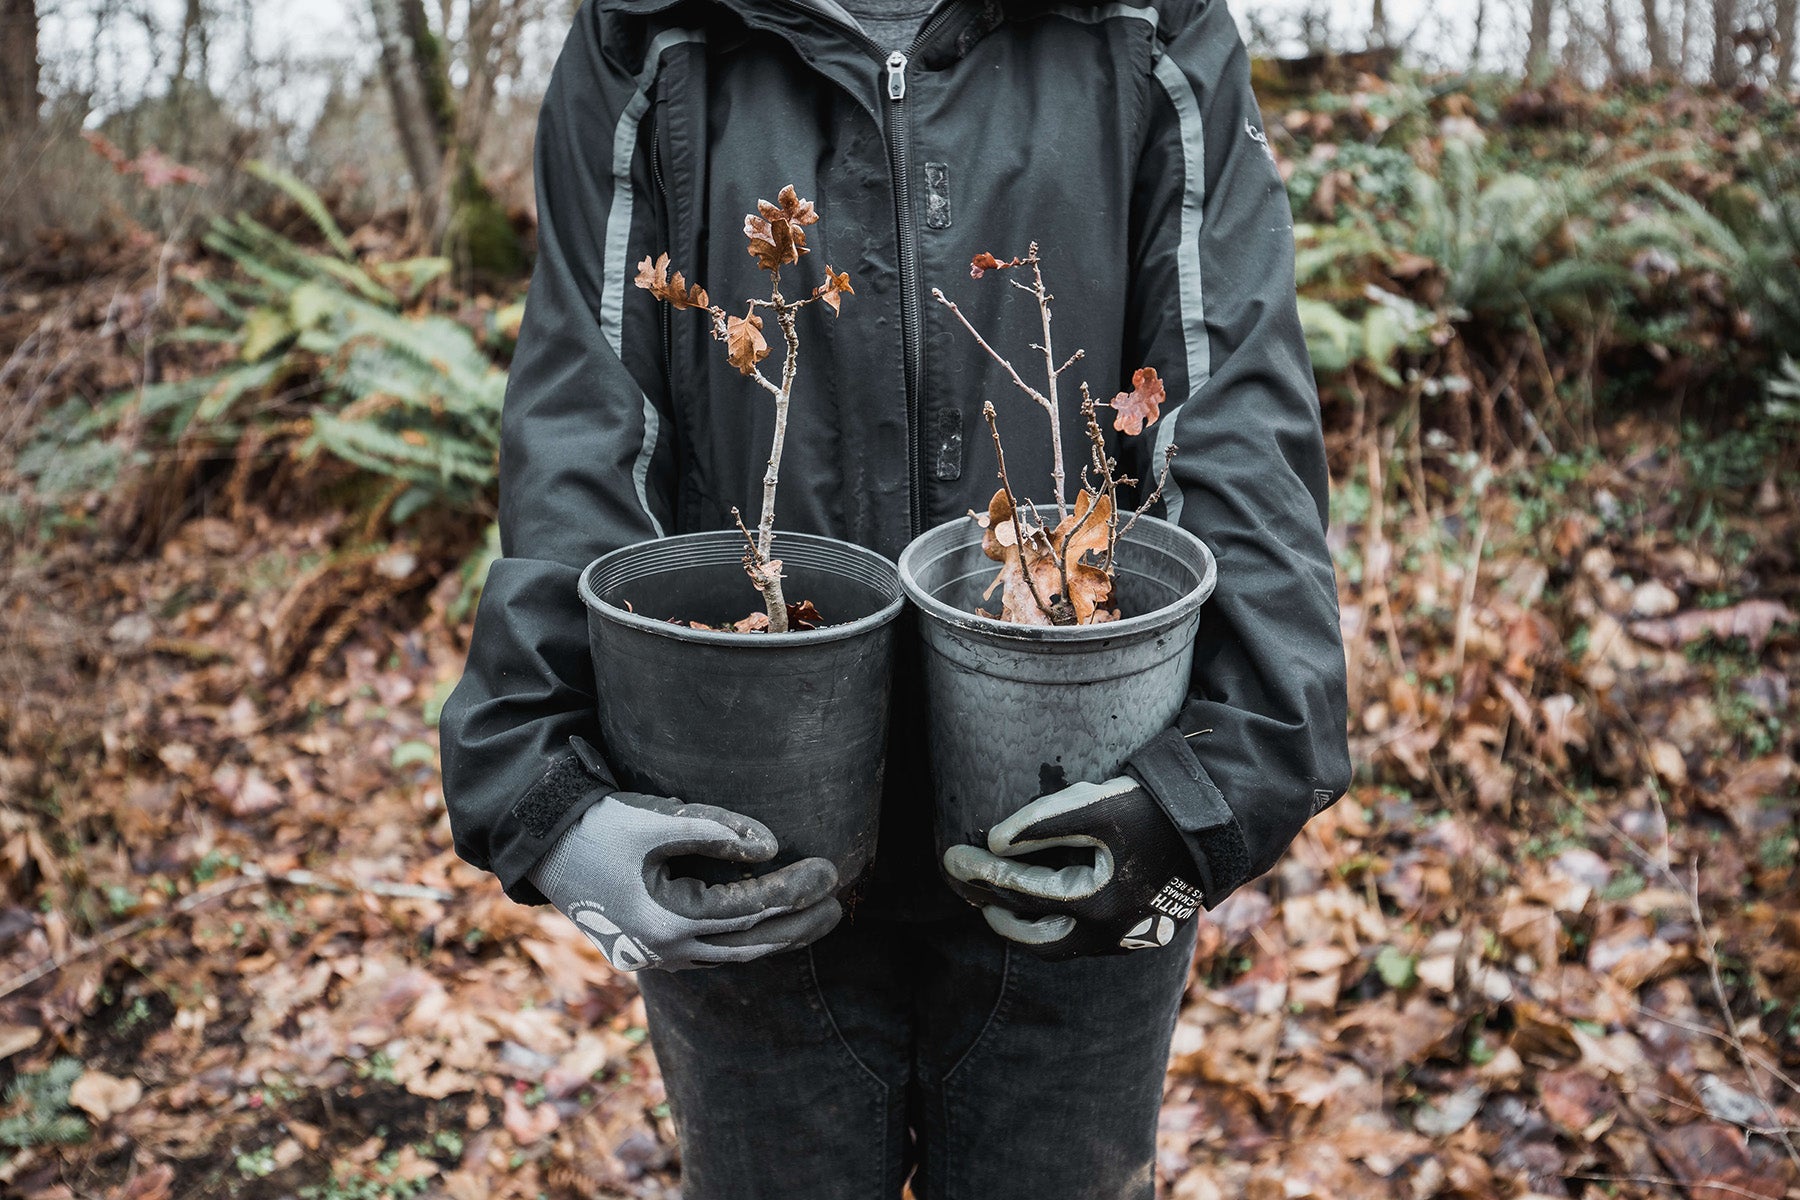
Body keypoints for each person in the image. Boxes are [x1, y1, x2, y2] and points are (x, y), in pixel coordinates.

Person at [438, 0, 1351, 1195]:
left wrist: (1209, 795)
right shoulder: (655, 31)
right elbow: (586, 422)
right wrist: (550, 800)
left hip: (1087, 821)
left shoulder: (1144, 23)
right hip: (743, 851)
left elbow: (1232, 400)